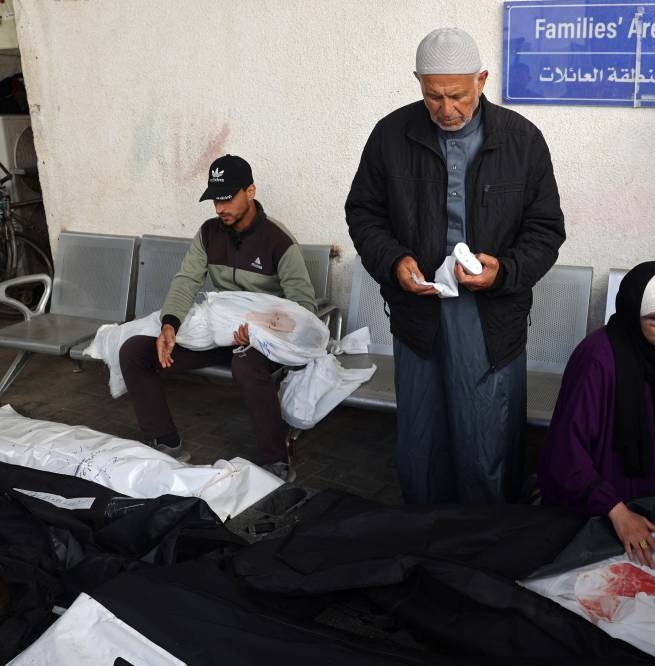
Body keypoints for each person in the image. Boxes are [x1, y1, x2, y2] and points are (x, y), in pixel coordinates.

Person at [345, 28, 565, 504]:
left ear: (481, 81)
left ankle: (486, 534)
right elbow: (363, 213)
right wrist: (394, 260)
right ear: (418, 83)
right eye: (434, 96)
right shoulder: (391, 136)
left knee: (487, 438)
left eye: (458, 95)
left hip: (491, 318)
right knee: (422, 441)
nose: (446, 109)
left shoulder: (522, 140)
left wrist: (504, 270)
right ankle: (426, 532)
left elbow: (546, 230)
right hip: (418, 313)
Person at [120, 154, 316, 482]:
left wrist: (257, 331)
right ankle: (165, 442)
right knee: (135, 352)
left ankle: (276, 460)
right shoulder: (209, 234)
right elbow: (186, 280)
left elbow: (304, 308)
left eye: (226, 198)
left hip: (264, 342)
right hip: (219, 334)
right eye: (214, 199)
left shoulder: (278, 242)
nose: (219, 208)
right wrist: (170, 325)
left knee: (246, 363)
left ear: (250, 191)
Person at [538, 262, 655, 568]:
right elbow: (567, 449)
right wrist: (618, 513)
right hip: (604, 496)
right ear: (633, 314)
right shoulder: (597, 360)